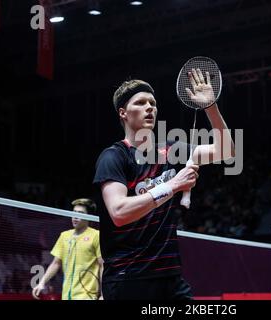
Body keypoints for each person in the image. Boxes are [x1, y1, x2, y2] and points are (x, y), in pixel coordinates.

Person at [93, 72, 234, 300]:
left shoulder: (170, 150)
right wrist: (174, 185)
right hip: (128, 278)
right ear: (123, 113)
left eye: (153, 103)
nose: (150, 107)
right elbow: (119, 213)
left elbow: (227, 151)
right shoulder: (114, 157)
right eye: (140, 103)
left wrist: (210, 107)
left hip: (170, 277)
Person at [32, 198, 103, 300]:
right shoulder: (64, 236)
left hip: (87, 296)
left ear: (88, 217)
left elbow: (102, 265)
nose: (75, 217)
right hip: (66, 296)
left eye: (80, 213)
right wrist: (42, 282)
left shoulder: (96, 235)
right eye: (73, 213)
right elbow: (56, 263)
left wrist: (103, 294)